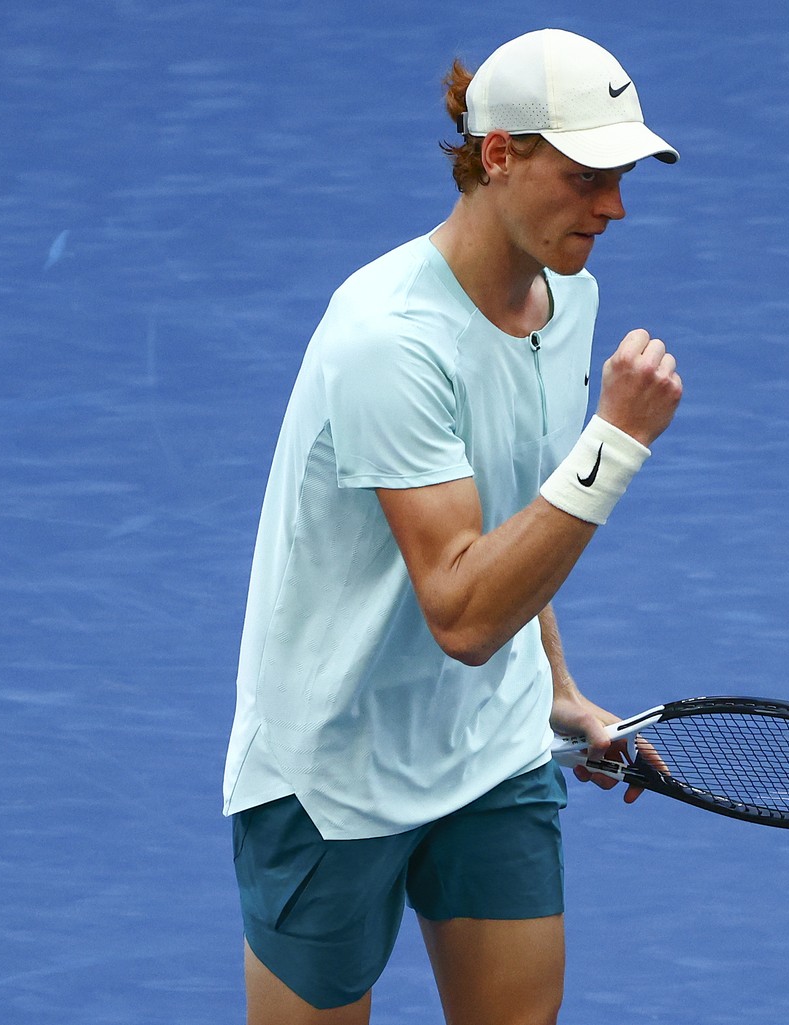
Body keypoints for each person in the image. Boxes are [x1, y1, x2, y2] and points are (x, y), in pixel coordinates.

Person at [221, 28, 682, 1025]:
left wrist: (556, 690)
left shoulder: (569, 300)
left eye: (624, 175)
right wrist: (615, 447)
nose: (614, 207)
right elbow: (465, 616)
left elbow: (513, 517)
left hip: (488, 752)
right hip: (331, 771)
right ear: (501, 154)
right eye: (588, 175)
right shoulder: (389, 339)